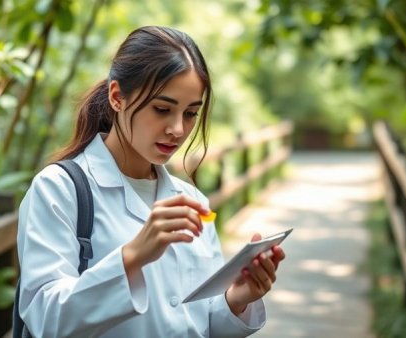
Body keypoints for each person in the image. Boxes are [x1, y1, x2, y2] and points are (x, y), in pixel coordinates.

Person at [16, 25, 286, 338]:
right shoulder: (59, 190)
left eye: (190, 114)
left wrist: (237, 299)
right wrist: (132, 257)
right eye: (162, 109)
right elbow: (46, 319)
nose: (177, 129)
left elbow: (198, 322)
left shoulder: (192, 200)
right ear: (117, 97)